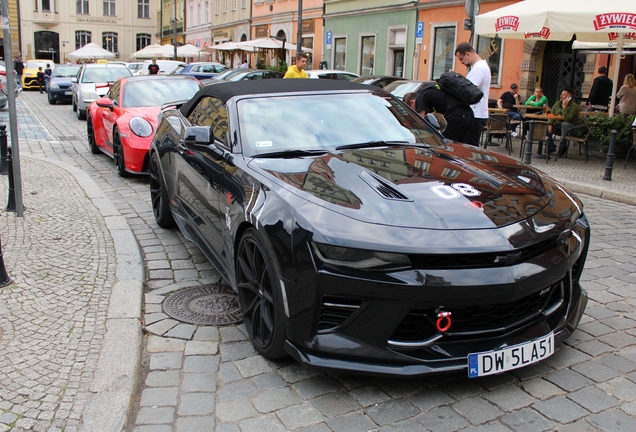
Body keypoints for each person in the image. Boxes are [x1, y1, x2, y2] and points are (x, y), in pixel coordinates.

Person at [455, 42, 491, 146]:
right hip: (476, 113)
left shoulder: (479, 68)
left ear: (467, 54)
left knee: (470, 148)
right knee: (469, 147)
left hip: (476, 113)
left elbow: (467, 90)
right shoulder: (478, 67)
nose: (461, 62)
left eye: (461, 59)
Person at [547, 87, 581, 156]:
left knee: (565, 124)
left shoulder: (574, 106)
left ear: (569, 97)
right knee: (547, 127)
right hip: (559, 125)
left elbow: (567, 119)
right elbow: (551, 114)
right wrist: (550, 124)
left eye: (563, 95)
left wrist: (564, 107)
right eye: (561, 94)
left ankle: (563, 146)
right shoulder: (557, 103)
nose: (561, 96)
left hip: (571, 128)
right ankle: (551, 146)